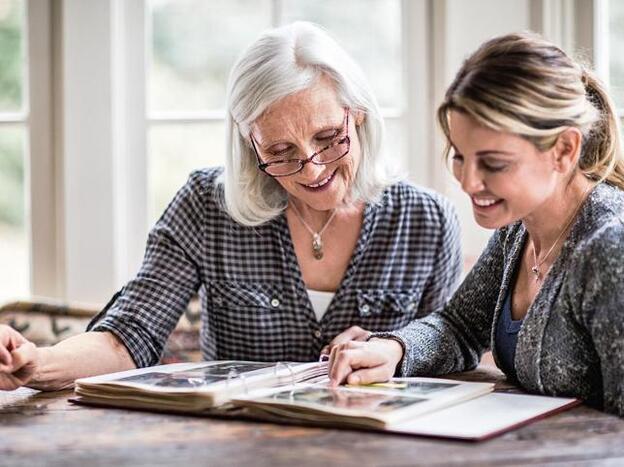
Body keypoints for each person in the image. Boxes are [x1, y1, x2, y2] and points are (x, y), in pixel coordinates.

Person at [0, 22, 461, 392]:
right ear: (249, 144)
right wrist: (36, 363)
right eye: (280, 151)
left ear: (357, 113)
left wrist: (395, 348)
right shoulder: (206, 205)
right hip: (236, 445)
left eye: (328, 138)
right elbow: (131, 336)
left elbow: (449, 346)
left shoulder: (427, 221)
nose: (311, 168)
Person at [326, 32, 624, 417]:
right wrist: (396, 348)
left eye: (494, 164)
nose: (468, 182)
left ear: (564, 150)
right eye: (459, 156)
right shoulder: (518, 226)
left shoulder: (610, 247)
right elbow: (461, 326)